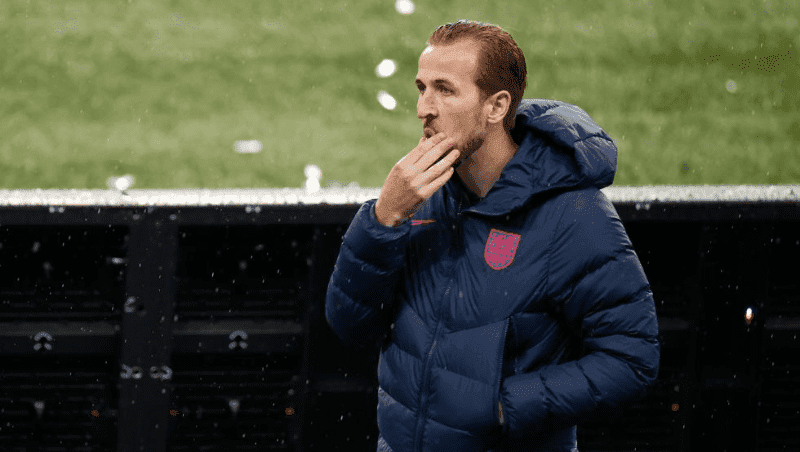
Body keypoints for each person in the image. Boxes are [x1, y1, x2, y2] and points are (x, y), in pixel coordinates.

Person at [325, 20, 660, 452]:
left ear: (497, 106)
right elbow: (350, 324)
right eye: (421, 88)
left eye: (445, 90)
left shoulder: (572, 215)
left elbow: (631, 358)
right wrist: (382, 219)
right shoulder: (415, 196)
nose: (424, 108)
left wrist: (503, 407)